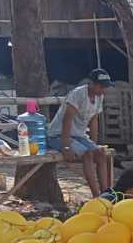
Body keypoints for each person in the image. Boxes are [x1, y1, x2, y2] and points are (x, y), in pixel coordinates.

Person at [48, 68, 114, 198]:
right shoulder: (78, 94)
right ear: (91, 83)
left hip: (79, 136)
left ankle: (106, 193)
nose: (104, 90)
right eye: (101, 86)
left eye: (105, 87)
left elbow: (94, 121)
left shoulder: (99, 97)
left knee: (100, 154)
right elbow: (67, 120)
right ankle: (96, 197)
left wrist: (94, 145)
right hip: (59, 135)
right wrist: (66, 146)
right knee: (87, 154)